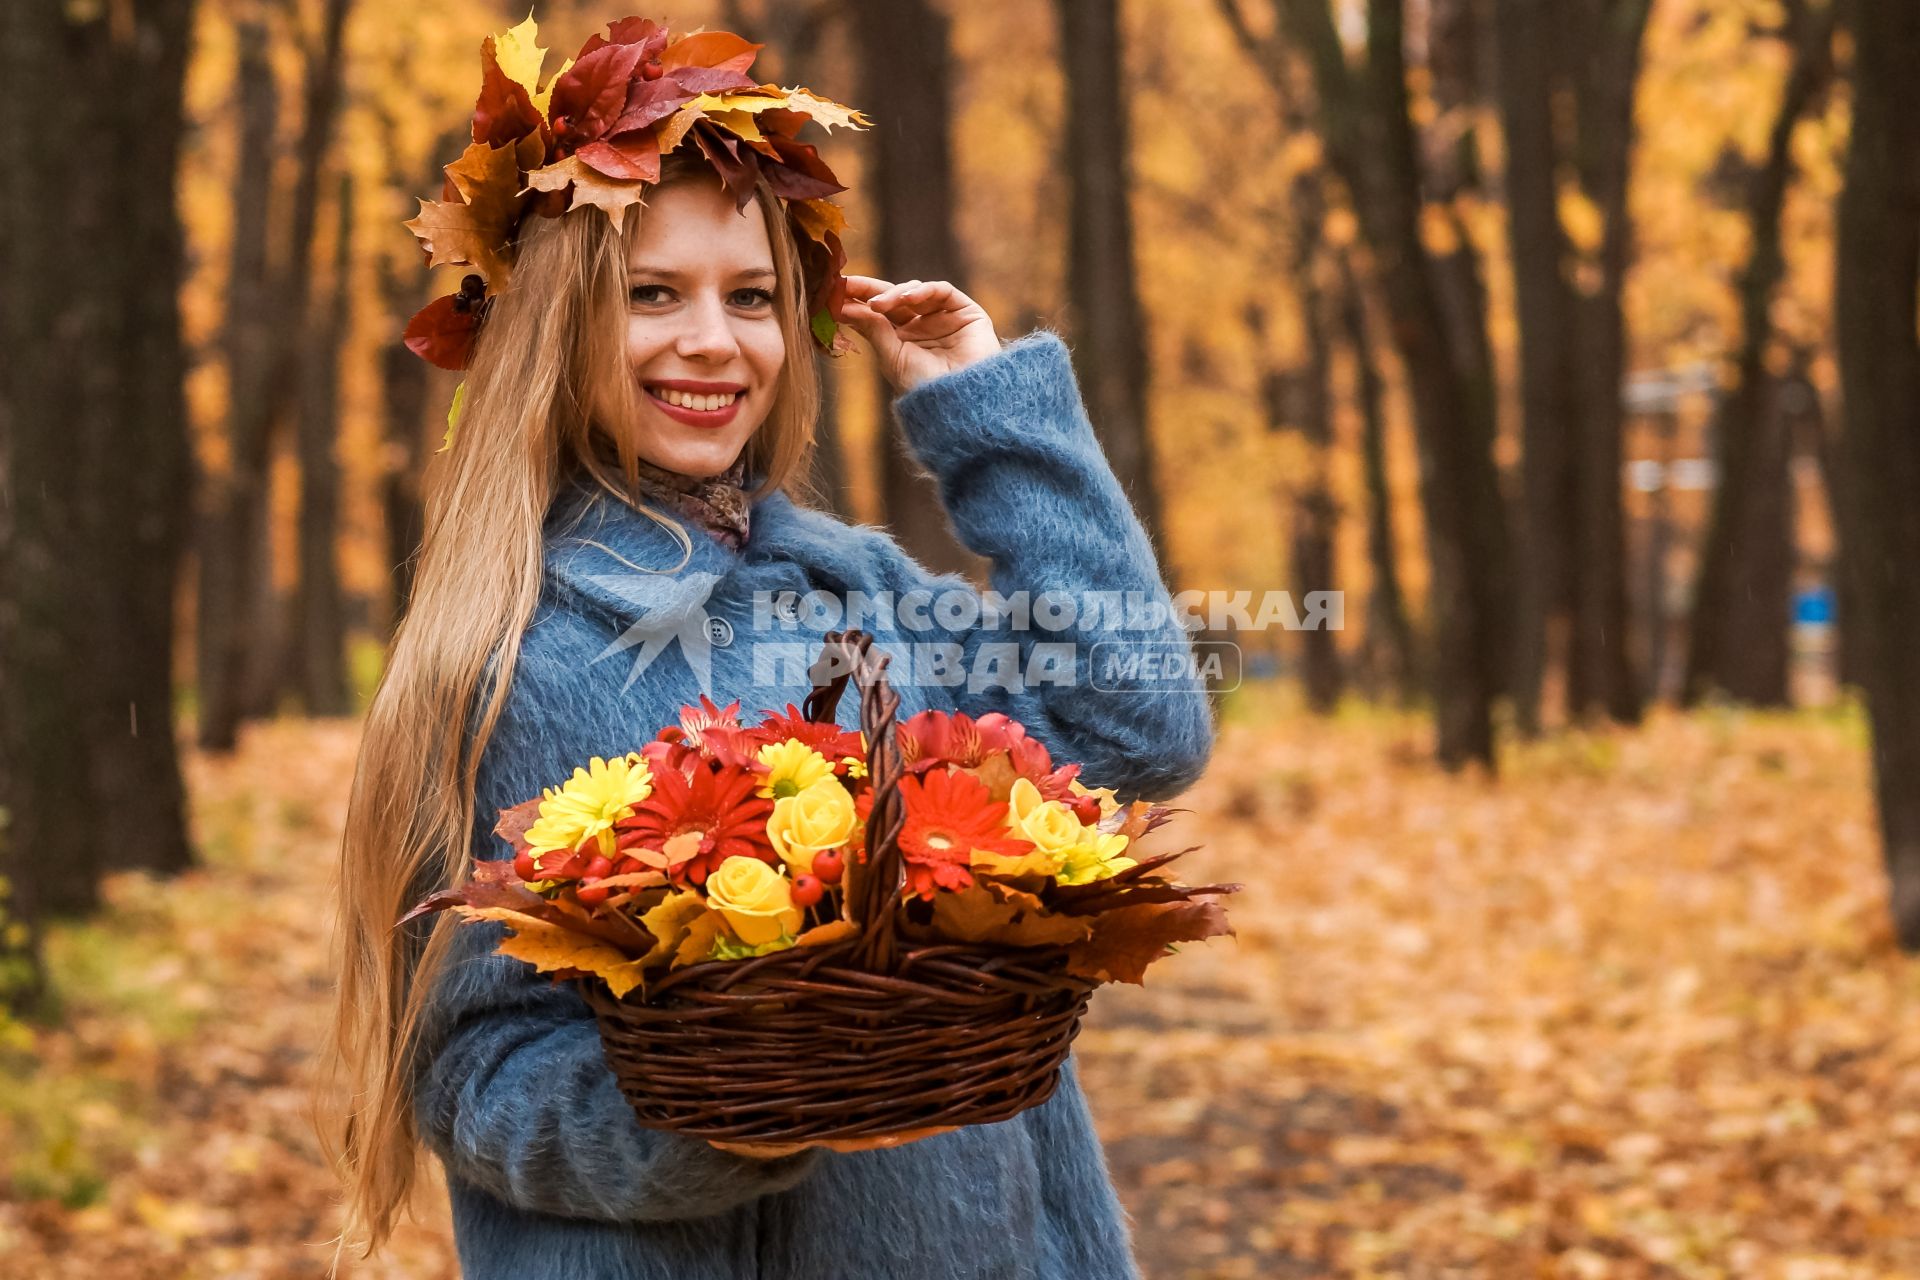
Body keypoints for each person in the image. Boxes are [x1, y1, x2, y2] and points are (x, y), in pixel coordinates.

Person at [320, 16, 1214, 1279]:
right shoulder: (507, 654)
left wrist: (984, 407)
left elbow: (1139, 731)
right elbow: (475, 1071)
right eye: (652, 295)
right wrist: (719, 1117)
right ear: (558, 325)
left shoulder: (858, 590)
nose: (714, 340)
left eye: (751, 297)